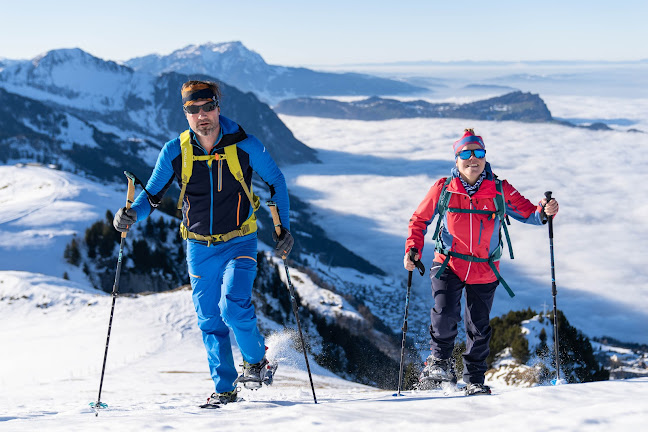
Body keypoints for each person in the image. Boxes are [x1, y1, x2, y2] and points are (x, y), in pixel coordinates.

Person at [113, 80, 294, 407]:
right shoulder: (174, 151)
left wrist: (284, 228)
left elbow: (276, 180)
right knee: (210, 321)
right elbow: (151, 197)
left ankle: (256, 361)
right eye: (192, 110)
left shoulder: (244, 145)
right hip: (197, 247)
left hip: (240, 241)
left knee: (232, 306)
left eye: (207, 107)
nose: (201, 115)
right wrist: (129, 216)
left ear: (217, 106)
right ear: (185, 113)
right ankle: (225, 389)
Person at [404, 129, 558, 396]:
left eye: (478, 153)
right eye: (465, 153)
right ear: (456, 159)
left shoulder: (499, 189)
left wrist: (544, 211)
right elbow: (419, 220)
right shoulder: (443, 189)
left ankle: (474, 379)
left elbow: (530, 213)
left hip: (485, 268)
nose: (472, 158)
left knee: (478, 326)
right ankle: (440, 363)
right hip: (448, 264)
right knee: (445, 312)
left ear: (485, 157)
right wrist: (412, 249)